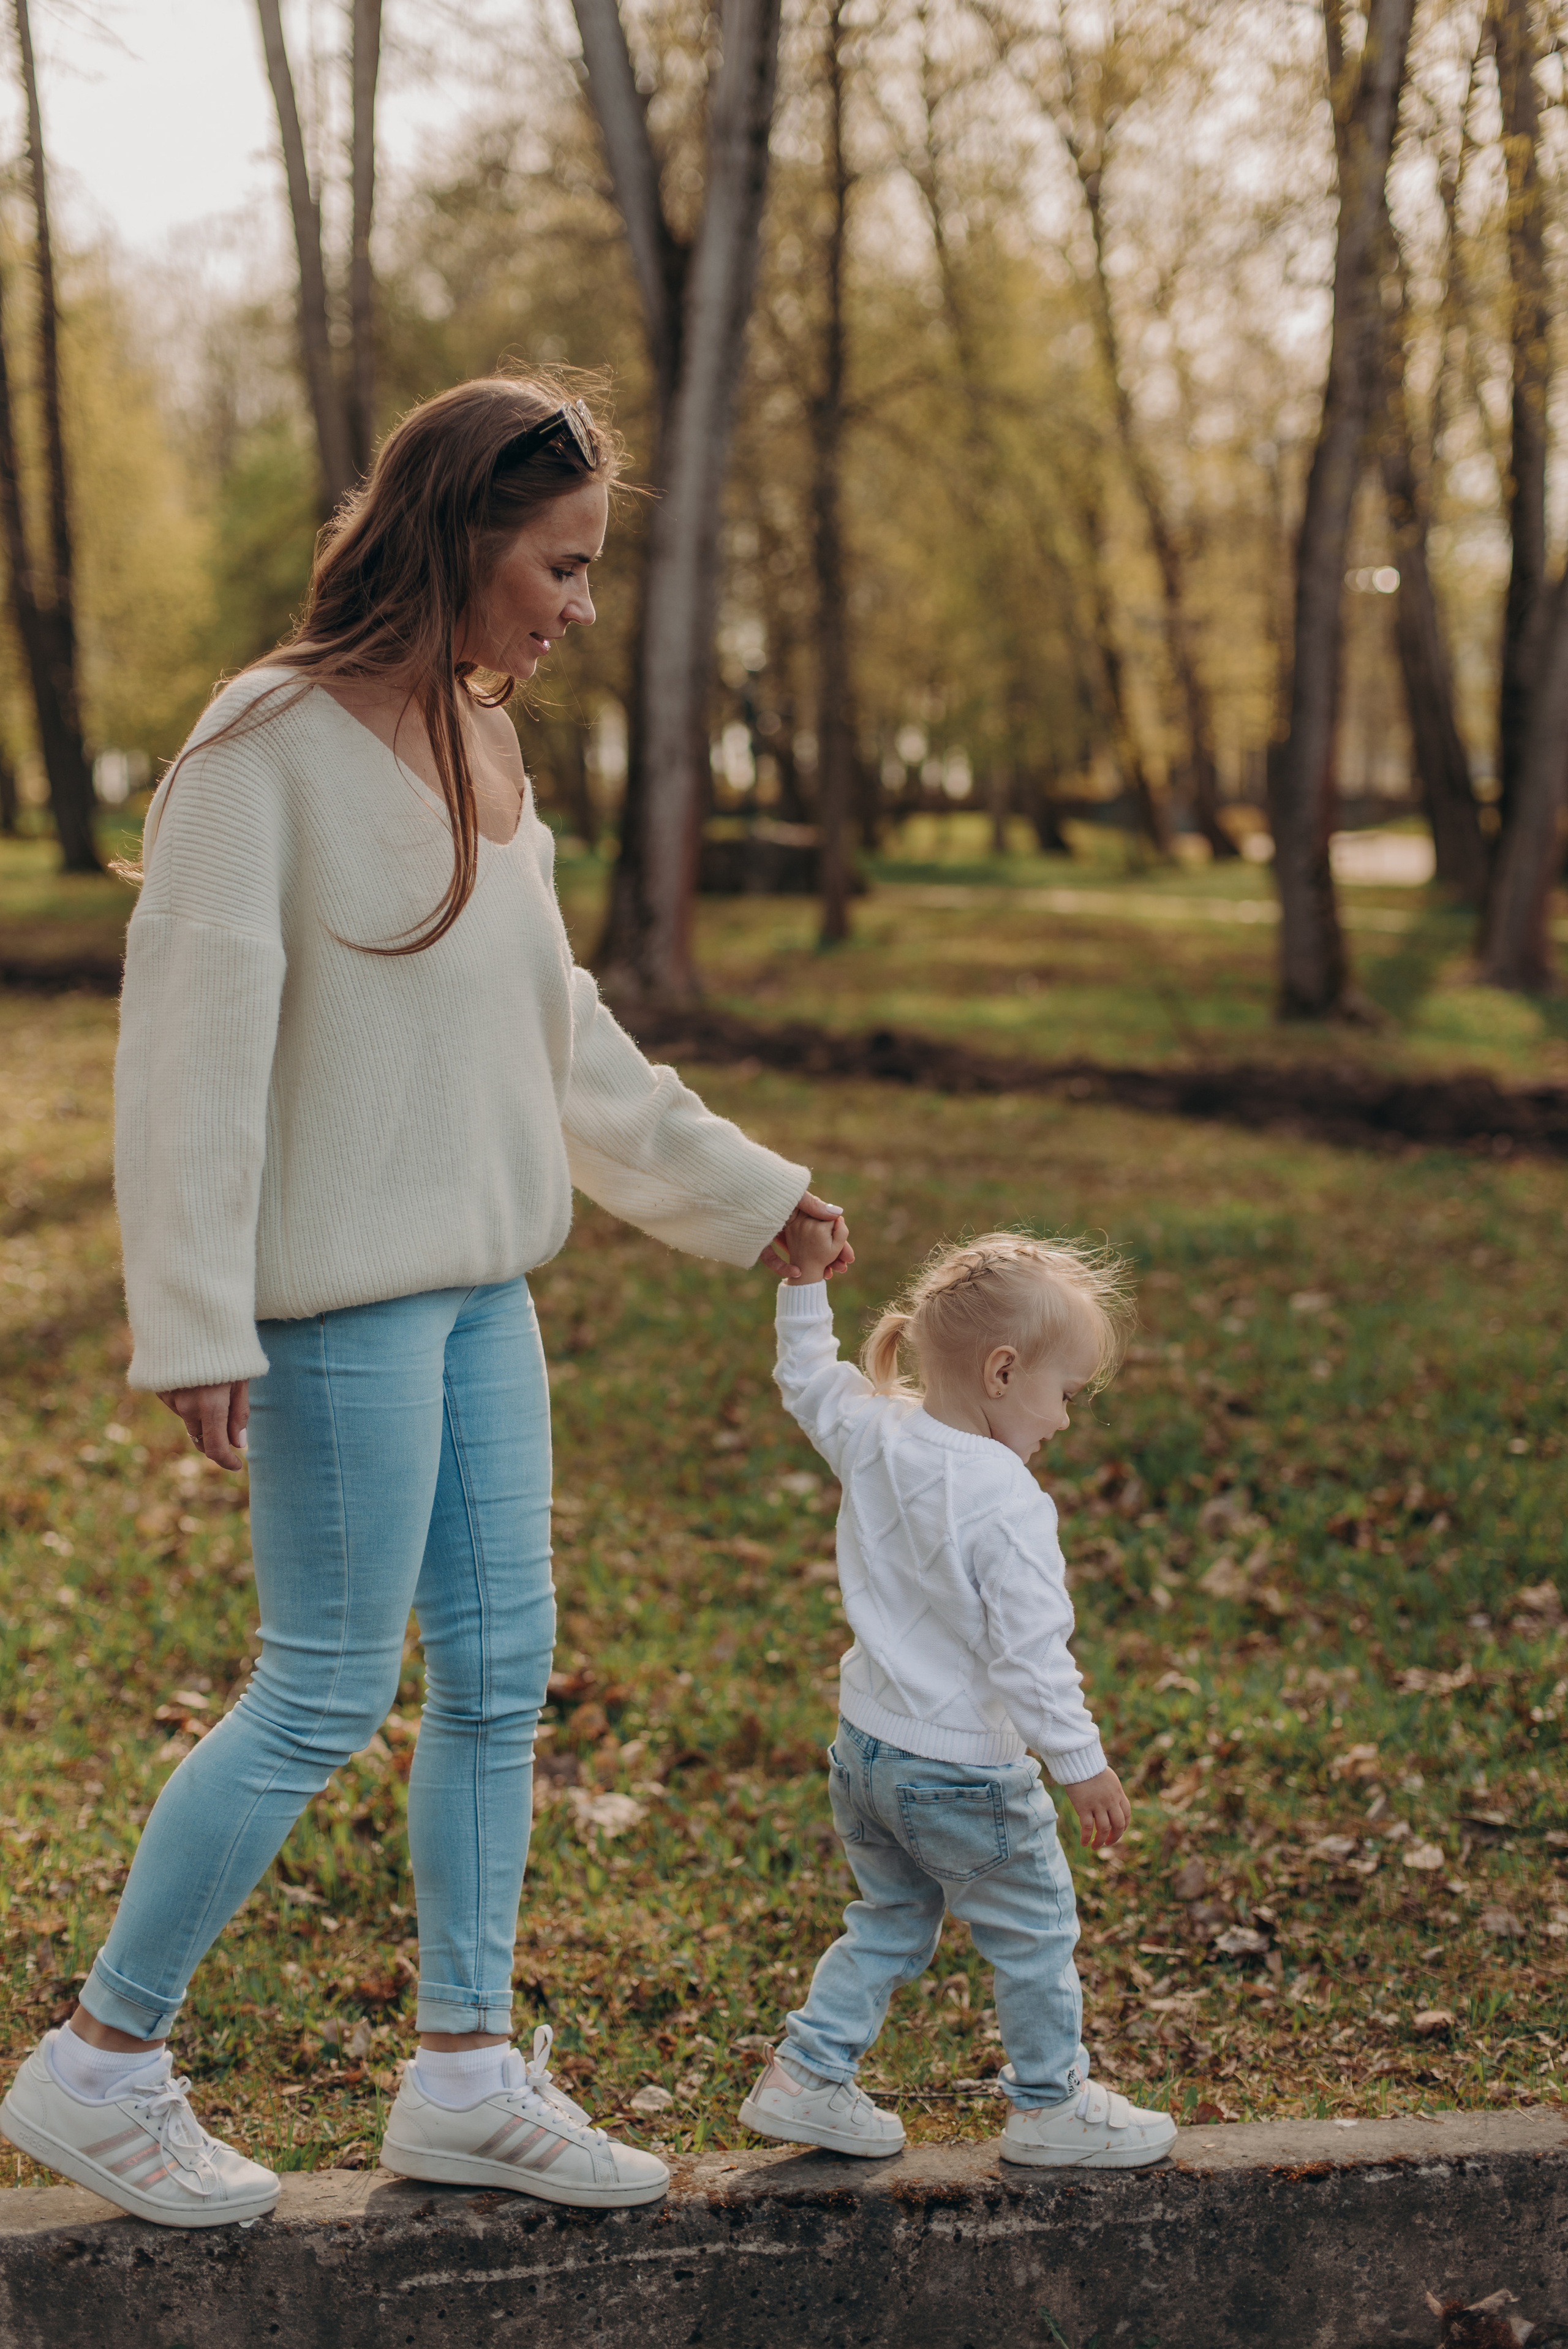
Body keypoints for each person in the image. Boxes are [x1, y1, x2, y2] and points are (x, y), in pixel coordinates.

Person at [0, 375, 850, 2228]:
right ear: (462, 532)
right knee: (320, 1690)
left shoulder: (483, 746)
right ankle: (99, 2065)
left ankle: (466, 2071)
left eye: (595, 570)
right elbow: (191, 1054)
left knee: (497, 1687)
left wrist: (749, 1196)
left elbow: (563, 1041)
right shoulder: (262, 745)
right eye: (560, 565)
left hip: (485, 1303)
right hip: (342, 1313)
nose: (579, 605)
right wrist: (195, 1316)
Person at [736, 1222, 1176, 2169]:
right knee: (1034, 1928)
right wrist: (1081, 1764)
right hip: (964, 1771)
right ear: (1004, 1372)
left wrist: (805, 1284)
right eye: (1065, 1394)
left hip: (865, 1756)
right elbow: (1030, 1655)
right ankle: (1052, 2101)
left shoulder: (877, 1430)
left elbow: (809, 1378)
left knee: (891, 1919)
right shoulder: (1006, 1499)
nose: (1063, 1419)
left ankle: (805, 2074)